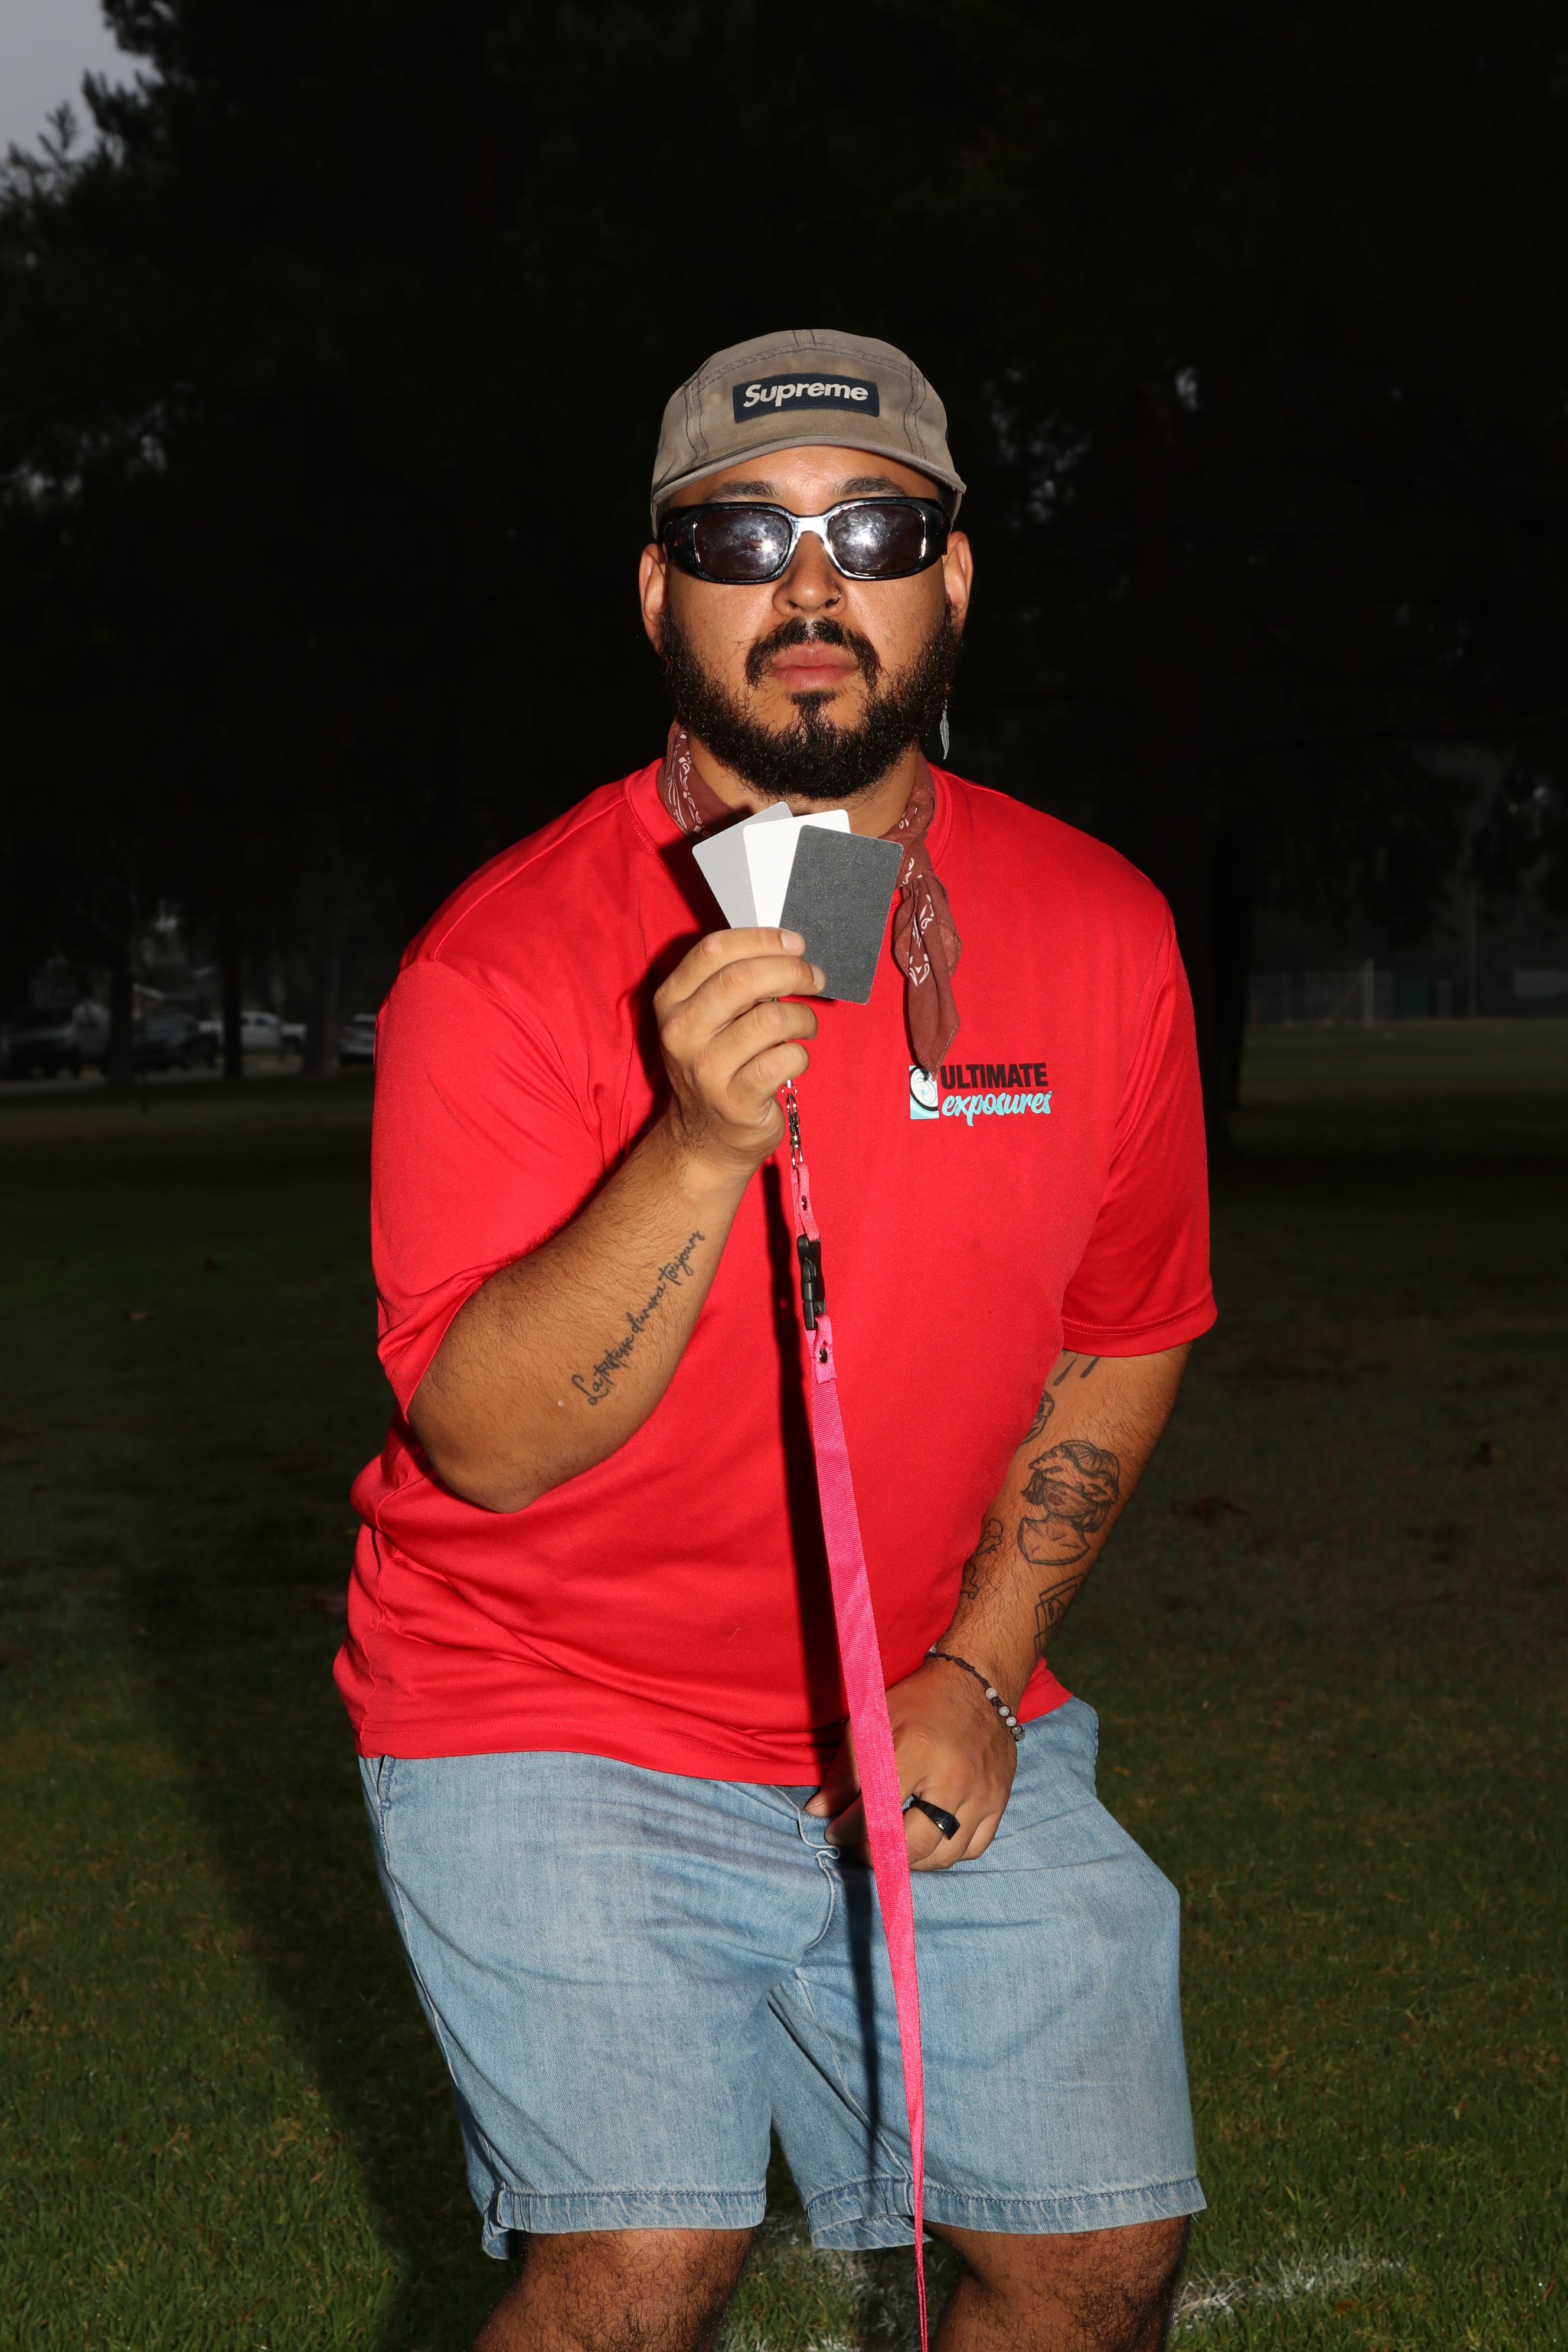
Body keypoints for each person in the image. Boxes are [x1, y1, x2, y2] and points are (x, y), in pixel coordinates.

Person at [337, 328, 1216, 2352]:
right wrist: (696, 1149)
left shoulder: (1103, 929)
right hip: (547, 1702)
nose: (810, 586)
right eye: (741, 537)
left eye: (872, 532)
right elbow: (486, 1440)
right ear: (661, 594)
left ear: (953, 578)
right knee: (639, 2271)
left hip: (920, 1696)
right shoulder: (499, 964)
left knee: (1096, 2260)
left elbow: (1128, 1329)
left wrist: (979, 1671)